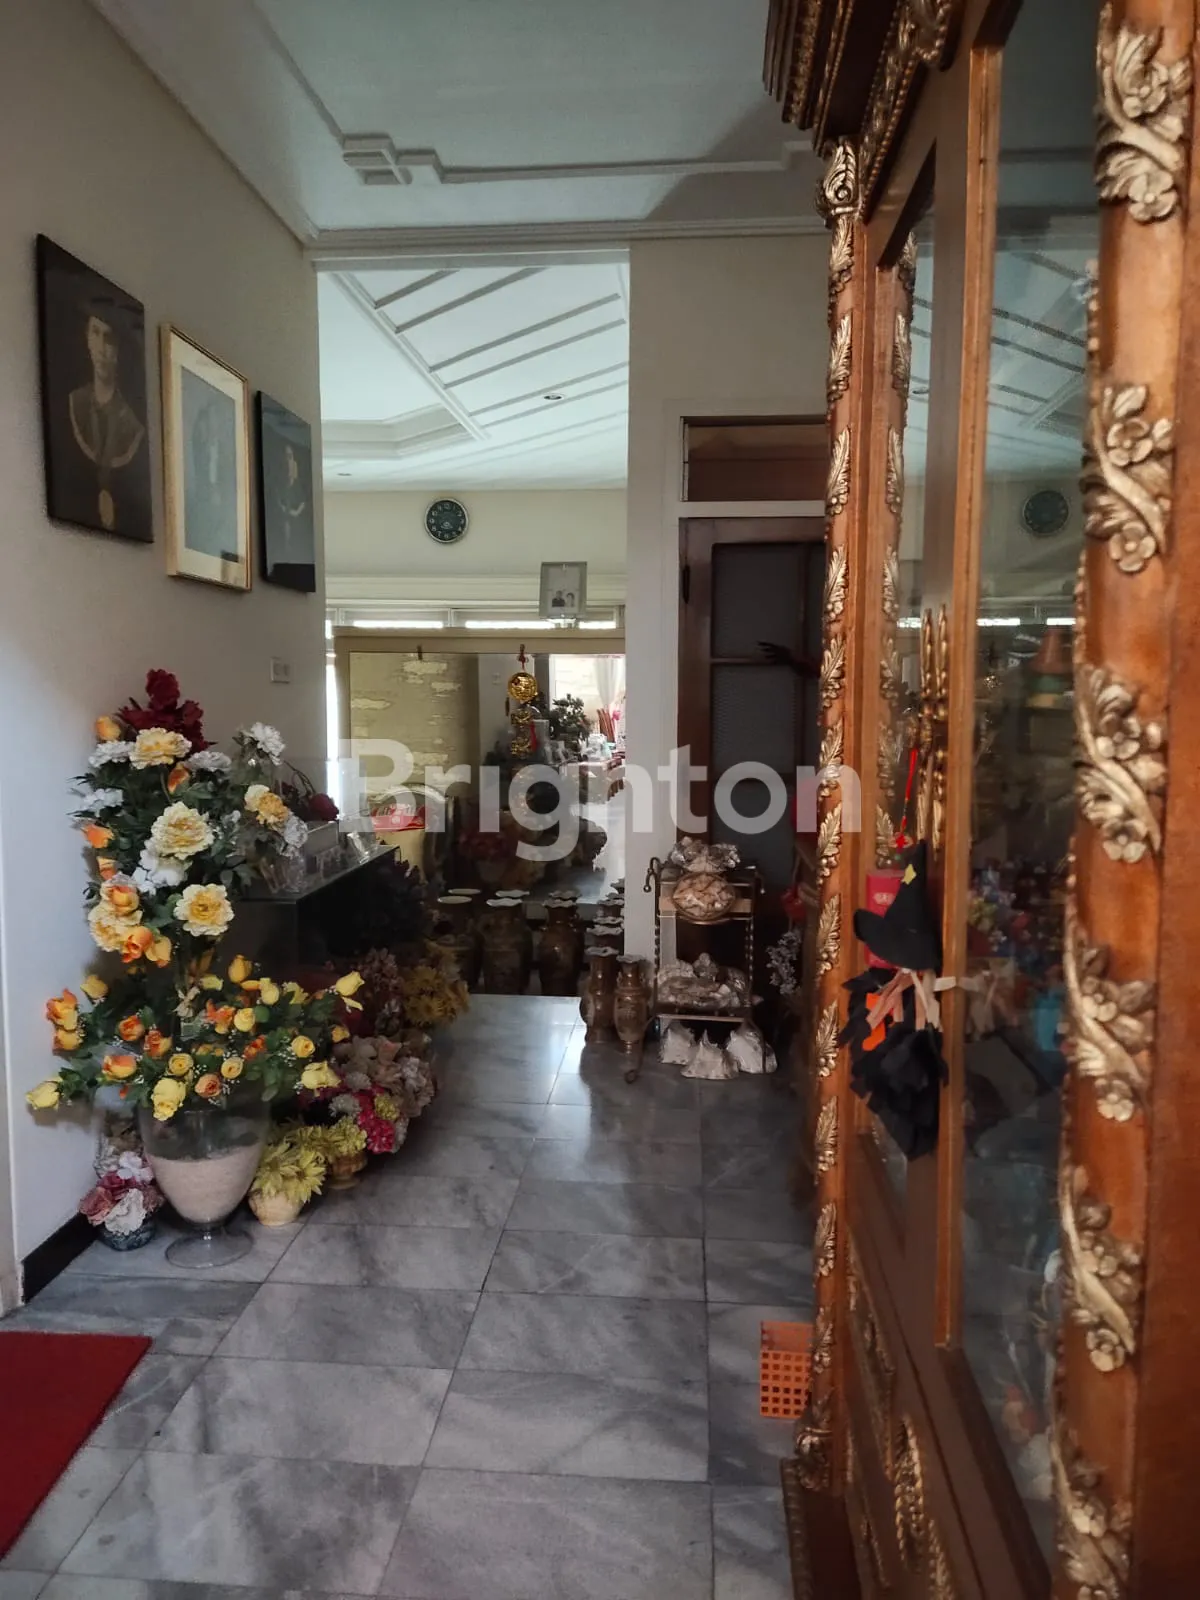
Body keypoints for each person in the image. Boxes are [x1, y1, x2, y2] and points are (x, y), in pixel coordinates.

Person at [68, 295, 145, 531]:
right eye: (95, 333)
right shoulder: (76, 403)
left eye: (109, 339)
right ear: (87, 338)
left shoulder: (131, 424)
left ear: (118, 350)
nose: (102, 349)